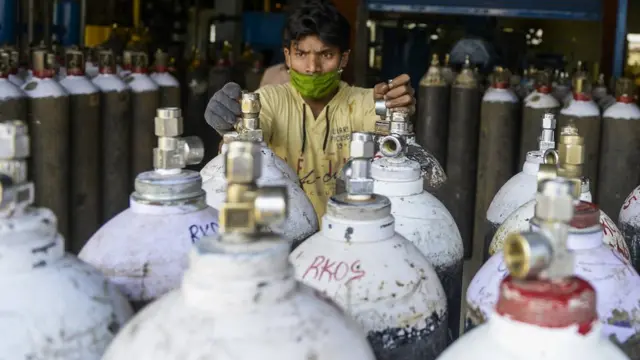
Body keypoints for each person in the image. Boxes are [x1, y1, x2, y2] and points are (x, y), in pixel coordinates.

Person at [205, 0, 416, 222]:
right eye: (301, 54)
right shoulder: (269, 100)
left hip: (348, 233)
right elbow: (246, 139)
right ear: (287, 56)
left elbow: (394, 144)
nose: (312, 67)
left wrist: (398, 106)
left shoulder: (364, 102)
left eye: (325, 55)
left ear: (343, 58)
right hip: (282, 228)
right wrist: (230, 125)